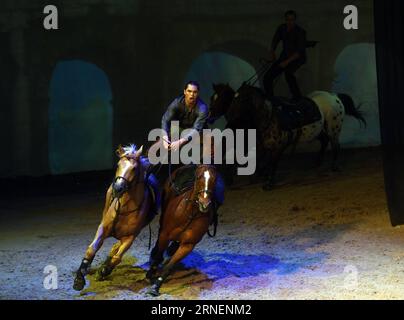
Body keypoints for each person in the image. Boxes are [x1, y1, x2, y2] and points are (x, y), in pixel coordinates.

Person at [263, 10, 307, 102]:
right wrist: (272, 52)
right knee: (267, 77)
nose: (289, 22)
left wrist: (286, 62)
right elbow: (275, 40)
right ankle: (270, 99)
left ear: (295, 20)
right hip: (285, 56)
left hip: (297, 58)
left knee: (288, 74)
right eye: (288, 20)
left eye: (292, 20)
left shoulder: (300, 32)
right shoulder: (282, 28)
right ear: (285, 20)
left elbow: (298, 52)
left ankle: (297, 97)